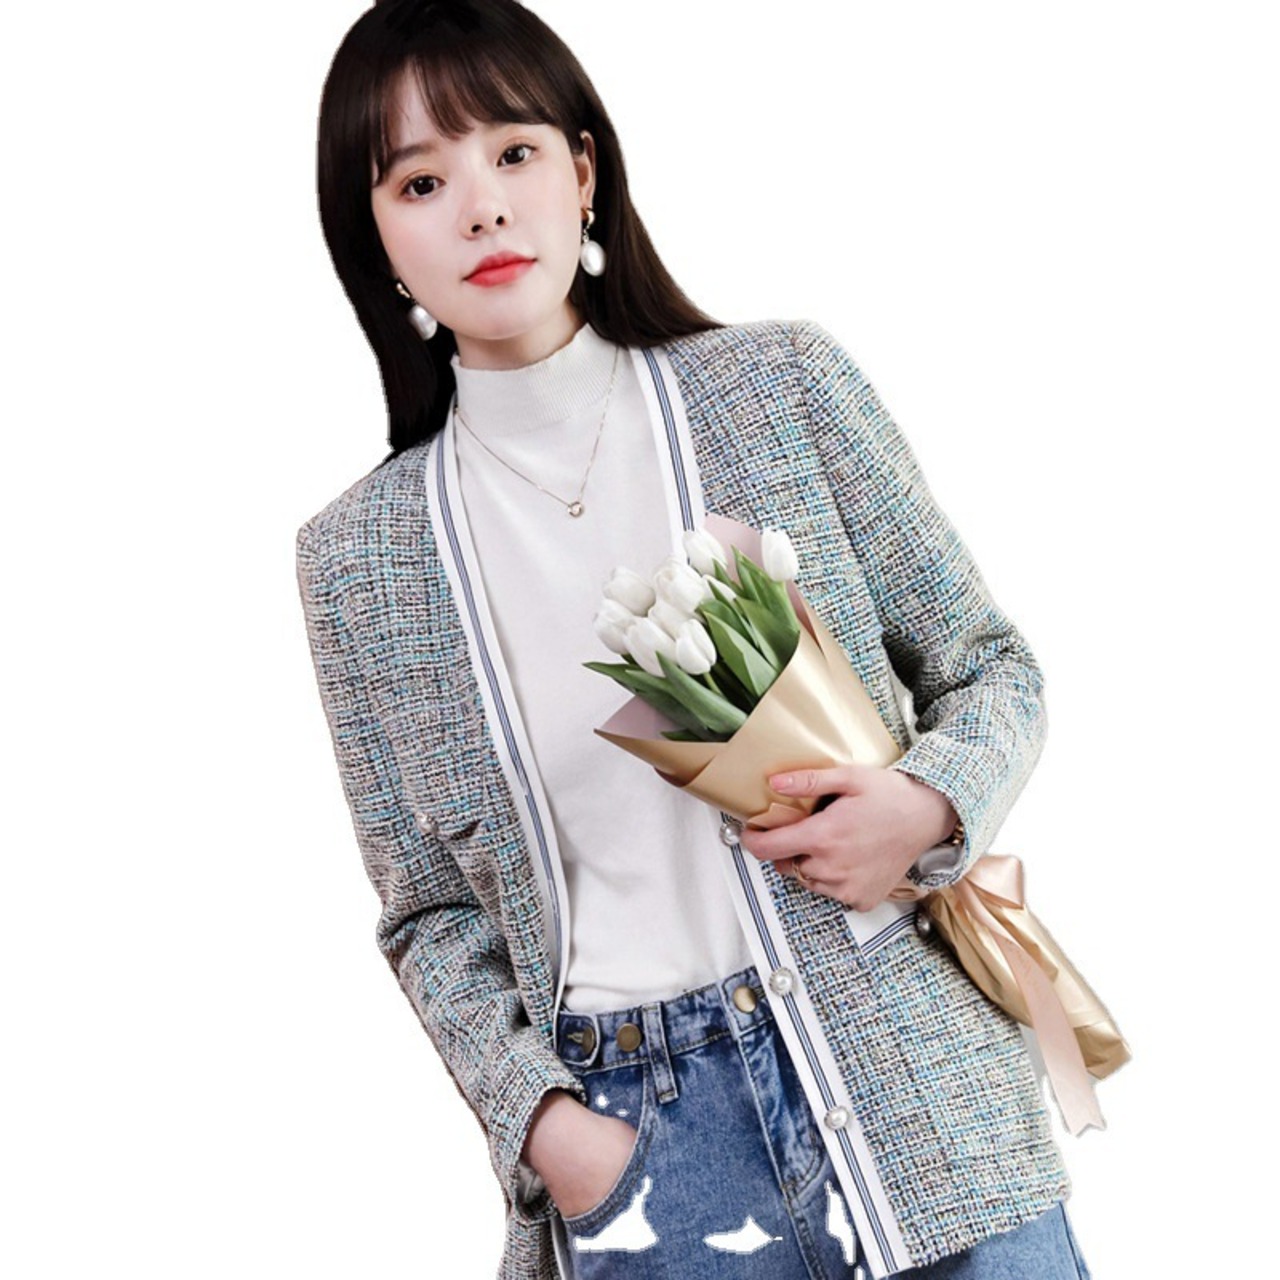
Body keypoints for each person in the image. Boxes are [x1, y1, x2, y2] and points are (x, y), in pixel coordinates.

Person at [298, 3, 1093, 1277]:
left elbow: (988, 664)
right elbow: (428, 914)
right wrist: (550, 1129)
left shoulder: (777, 389)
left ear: (583, 173)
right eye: (420, 181)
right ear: (376, 235)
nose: (482, 208)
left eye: (513, 153)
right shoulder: (361, 559)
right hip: (643, 1153)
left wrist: (925, 805)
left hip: (914, 1090)